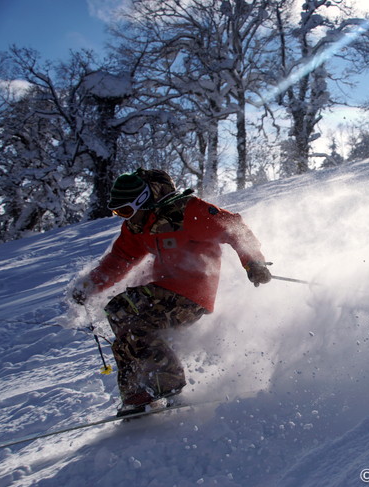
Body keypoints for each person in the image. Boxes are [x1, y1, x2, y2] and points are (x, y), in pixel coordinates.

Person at [71, 168, 271, 415]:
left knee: (125, 308)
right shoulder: (137, 226)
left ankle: (167, 384)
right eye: (117, 212)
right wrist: (91, 284)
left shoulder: (186, 212)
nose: (124, 218)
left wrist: (253, 261)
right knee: (122, 320)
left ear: (141, 200)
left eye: (125, 210)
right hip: (163, 290)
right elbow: (119, 259)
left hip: (192, 292)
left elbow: (232, 227)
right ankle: (137, 393)